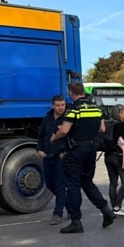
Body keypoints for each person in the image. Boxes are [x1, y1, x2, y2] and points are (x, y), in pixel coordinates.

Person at [49, 82, 115, 233]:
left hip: (76, 150)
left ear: (72, 93)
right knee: (87, 182)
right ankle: (106, 210)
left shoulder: (73, 108)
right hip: (91, 149)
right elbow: (102, 128)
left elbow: (65, 130)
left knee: (72, 185)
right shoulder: (95, 107)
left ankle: (76, 221)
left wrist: (54, 137)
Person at [36, 95, 69, 225]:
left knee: (61, 186)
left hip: (61, 156)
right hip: (47, 156)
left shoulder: (68, 119)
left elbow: (71, 137)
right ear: (53, 106)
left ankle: (58, 214)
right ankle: (70, 205)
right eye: (58, 105)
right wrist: (39, 149)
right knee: (49, 183)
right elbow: (41, 135)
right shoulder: (47, 119)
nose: (61, 108)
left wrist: (66, 152)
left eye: (63, 105)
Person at [103, 105, 124, 217]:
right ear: (119, 113)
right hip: (119, 156)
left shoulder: (107, 124)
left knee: (113, 183)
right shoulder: (122, 125)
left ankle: (113, 207)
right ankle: (117, 206)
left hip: (108, 156)